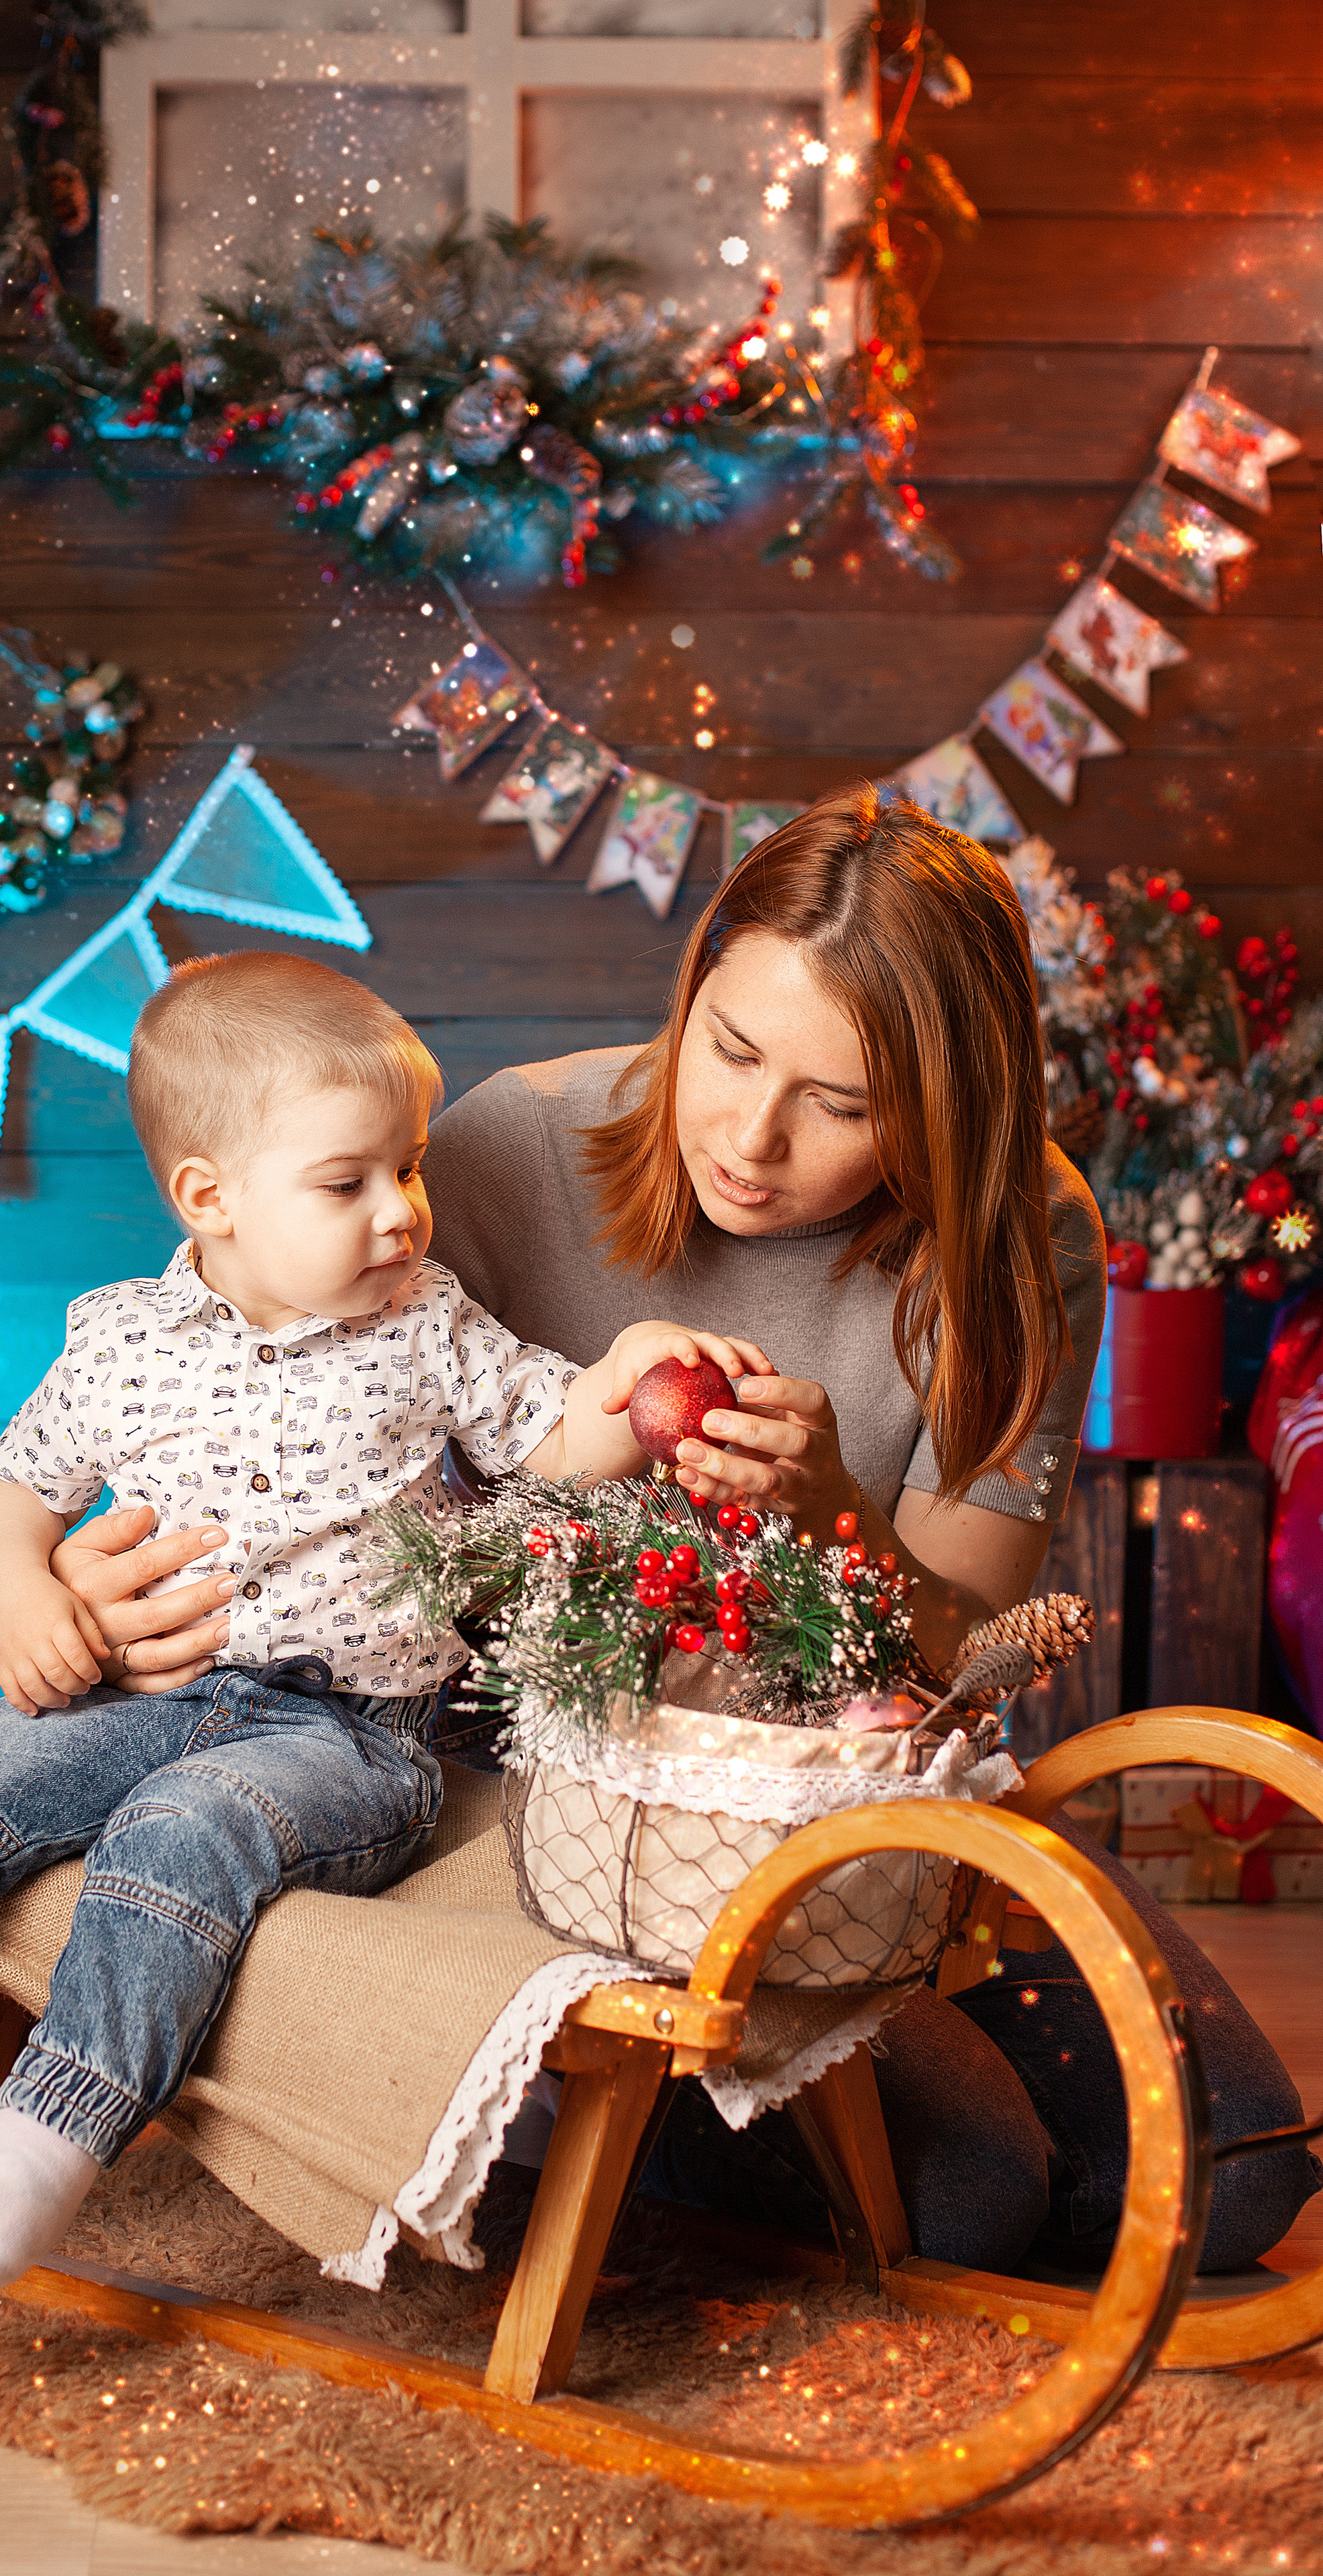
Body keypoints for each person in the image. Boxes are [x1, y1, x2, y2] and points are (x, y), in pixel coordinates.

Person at [0, 951, 756, 2294]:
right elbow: (9, 1498)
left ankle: (47, 2137)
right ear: (208, 1197)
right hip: (141, 1697)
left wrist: (629, 1377)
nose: (401, 1212)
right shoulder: (122, 1341)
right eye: (347, 1184)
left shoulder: (426, 1325)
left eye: (408, 1168)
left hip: (349, 1737)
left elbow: (555, 1443)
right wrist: (21, 1593)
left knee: (182, 1832)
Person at [419, 782, 1318, 2273]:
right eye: (728, 1049)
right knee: (971, 2201)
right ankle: (553, 2110)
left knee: (1231, 2182)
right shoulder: (504, 1151)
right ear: (694, 986)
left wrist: (836, 1515)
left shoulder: (1019, 1232)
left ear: (942, 1110)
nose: (750, 1138)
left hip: (868, 1799)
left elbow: (967, 1649)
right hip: (576, 1815)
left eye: (840, 1106)